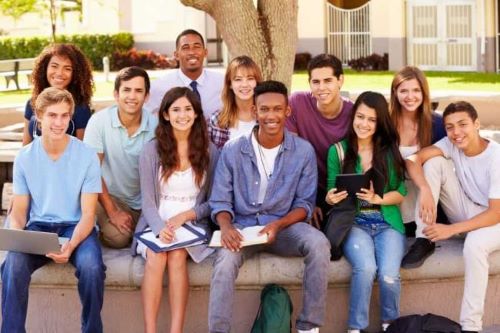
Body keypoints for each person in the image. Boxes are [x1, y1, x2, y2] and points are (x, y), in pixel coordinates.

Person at [208, 80, 331, 333]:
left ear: (287, 112)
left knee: (319, 244)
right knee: (224, 261)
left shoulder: (303, 151)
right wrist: (226, 226)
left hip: (284, 226)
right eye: (264, 109)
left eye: (277, 109)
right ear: (254, 111)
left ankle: (309, 327)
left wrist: (278, 224)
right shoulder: (232, 150)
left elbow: (304, 204)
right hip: (243, 226)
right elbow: (220, 200)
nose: (271, 115)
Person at [1, 87, 105, 333]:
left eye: (64, 116)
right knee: (13, 264)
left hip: (77, 227)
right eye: (52, 115)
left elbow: (89, 214)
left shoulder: (87, 156)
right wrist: (19, 236)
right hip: (39, 228)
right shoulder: (25, 158)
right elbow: (19, 211)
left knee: (92, 268)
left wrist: (70, 245)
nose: (59, 122)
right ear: (38, 115)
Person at [400, 101, 500, 333]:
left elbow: (496, 213)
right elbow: (413, 159)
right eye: (450, 127)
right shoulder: (451, 144)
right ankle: (423, 239)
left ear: (477, 124)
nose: (456, 133)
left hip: (495, 220)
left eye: (463, 125)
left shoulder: (496, 157)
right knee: (434, 163)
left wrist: (450, 230)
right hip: (470, 209)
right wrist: (424, 188)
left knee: (474, 246)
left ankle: (471, 327)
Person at [132, 87, 217, 333]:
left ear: (197, 114)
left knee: (178, 255)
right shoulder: (151, 151)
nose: (183, 115)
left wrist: (186, 216)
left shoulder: (210, 152)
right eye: (176, 109)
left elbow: (214, 201)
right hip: (156, 222)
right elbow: (147, 201)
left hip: (192, 223)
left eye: (188, 109)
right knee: (157, 256)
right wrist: (159, 228)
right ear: (166, 115)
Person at [326, 92, 407, 333]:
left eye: (371, 119)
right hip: (354, 222)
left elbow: (400, 192)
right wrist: (331, 197)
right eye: (360, 117)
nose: (364, 124)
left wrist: (377, 198)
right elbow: (331, 190)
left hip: (386, 222)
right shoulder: (338, 151)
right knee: (366, 269)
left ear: (380, 122)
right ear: (353, 117)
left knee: (389, 275)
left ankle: (389, 325)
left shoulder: (389, 152)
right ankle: (356, 328)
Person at [83, 66, 157, 248]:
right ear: (116, 94)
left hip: (144, 200)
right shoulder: (98, 122)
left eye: (138, 91)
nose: (132, 96)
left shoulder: (156, 126)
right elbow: (90, 170)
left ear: (146, 96)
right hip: (109, 196)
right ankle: (92, 227)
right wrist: (112, 211)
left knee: (145, 237)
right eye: (126, 90)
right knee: (119, 239)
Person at [285, 53, 354, 227]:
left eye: (328, 80)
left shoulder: (354, 114)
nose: (321, 87)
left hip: (340, 190)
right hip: (306, 187)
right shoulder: (297, 103)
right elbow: (292, 158)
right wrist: (307, 200)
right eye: (316, 82)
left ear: (340, 80)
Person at [389, 66, 446, 228]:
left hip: (428, 207)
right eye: (403, 91)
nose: (410, 96)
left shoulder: (438, 125)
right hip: (393, 207)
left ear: (424, 93)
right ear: (395, 92)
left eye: (416, 90)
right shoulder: (385, 124)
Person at [22, 43, 93, 145]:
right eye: (54, 66)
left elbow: (82, 151)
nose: (59, 73)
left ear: (75, 74)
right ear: (45, 68)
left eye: (67, 68)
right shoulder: (32, 102)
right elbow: (25, 146)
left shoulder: (81, 108)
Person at [145, 29, 224, 118]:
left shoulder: (221, 83)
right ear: (176, 55)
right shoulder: (159, 86)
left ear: (205, 52)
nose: (192, 52)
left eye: (197, 47)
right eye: (185, 48)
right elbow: (147, 118)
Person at [207, 55, 263, 148]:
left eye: (250, 78)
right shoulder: (216, 121)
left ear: (257, 82)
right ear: (230, 84)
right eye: (238, 79)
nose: (244, 84)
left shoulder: (266, 118)